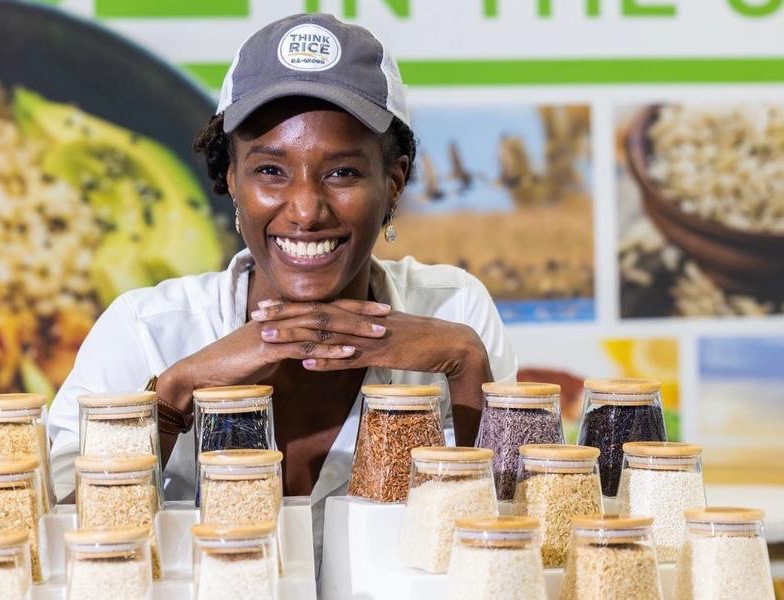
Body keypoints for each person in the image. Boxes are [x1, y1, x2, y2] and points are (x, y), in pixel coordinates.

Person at [47, 11, 516, 563]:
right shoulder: (148, 331)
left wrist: (465, 363)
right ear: (231, 180)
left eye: (342, 172)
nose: (305, 210)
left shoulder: (454, 313)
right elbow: (59, 547)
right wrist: (176, 391)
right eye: (271, 170)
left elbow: (514, 544)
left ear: (393, 184)